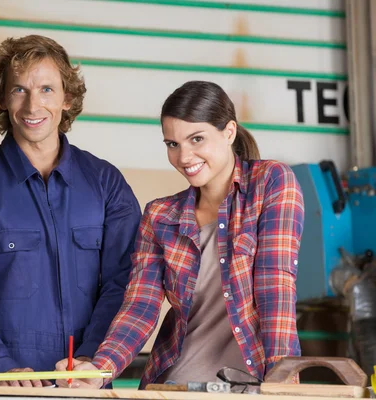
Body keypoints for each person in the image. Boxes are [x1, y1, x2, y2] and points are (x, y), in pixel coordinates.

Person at [55, 80, 304, 389]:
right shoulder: (160, 216)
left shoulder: (272, 182)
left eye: (196, 139)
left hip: (254, 386)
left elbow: (275, 287)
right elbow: (140, 308)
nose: (184, 156)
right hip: (177, 386)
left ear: (229, 132)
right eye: (173, 144)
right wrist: (99, 369)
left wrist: (283, 382)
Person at [0, 34, 141, 387]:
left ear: (67, 98)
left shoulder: (107, 185)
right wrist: (0, 366)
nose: (32, 106)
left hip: (88, 385)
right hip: (6, 389)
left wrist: (94, 360)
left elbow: (129, 284)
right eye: (19, 90)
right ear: (1, 99)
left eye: (46, 90)